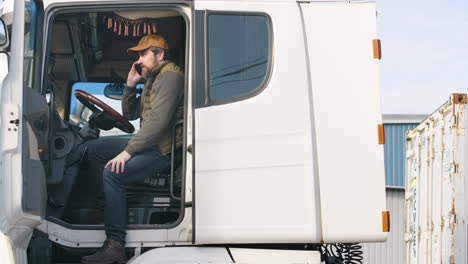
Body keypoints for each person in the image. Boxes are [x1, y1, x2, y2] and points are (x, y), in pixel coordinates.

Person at [81, 34, 184, 264]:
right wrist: (130, 84)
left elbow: (158, 122)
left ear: (160, 55)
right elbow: (131, 115)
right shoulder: (153, 78)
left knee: (112, 174)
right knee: (94, 150)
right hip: (152, 142)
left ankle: (115, 244)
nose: (139, 60)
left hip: (166, 149)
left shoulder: (170, 76)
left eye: (144, 54)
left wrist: (127, 152)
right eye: (139, 55)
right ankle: (104, 209)